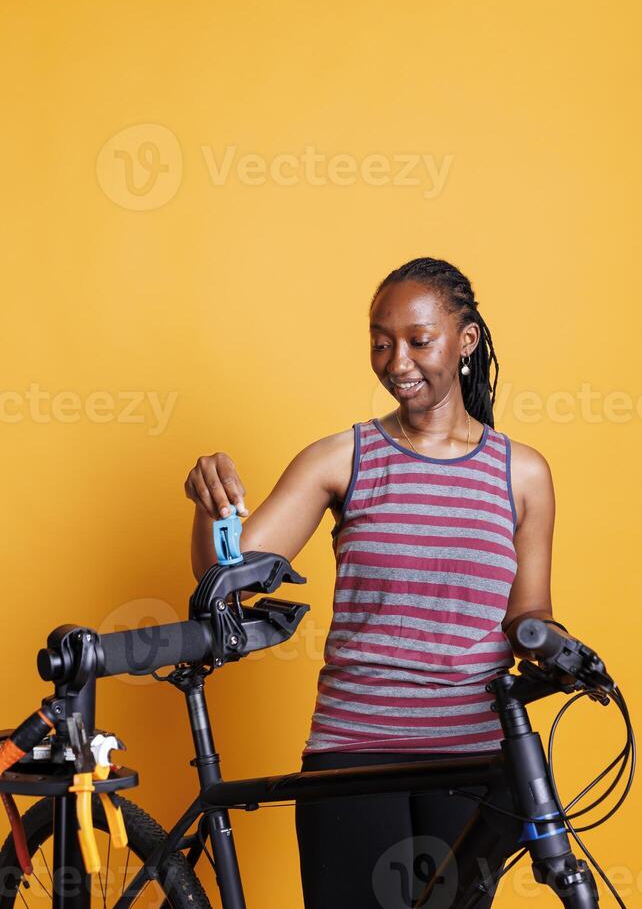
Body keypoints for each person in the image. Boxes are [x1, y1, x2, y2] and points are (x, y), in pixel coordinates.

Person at [184, 257, 572, 908]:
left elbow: (529, 611)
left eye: (418, 341)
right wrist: (209, 506)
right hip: (355, 752)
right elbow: (225, 578)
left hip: (472, 756)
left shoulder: (522, 474)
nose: (397, 361)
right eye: (381, 340)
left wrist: (554, 646)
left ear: (465, 340)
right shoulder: (345, 458)